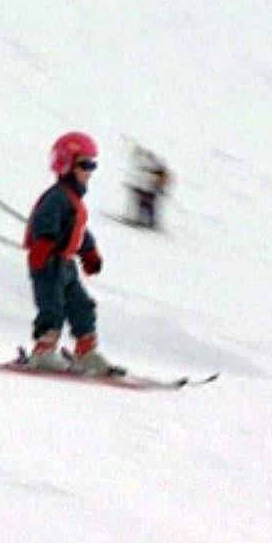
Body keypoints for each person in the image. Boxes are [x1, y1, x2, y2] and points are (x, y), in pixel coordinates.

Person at [23, 131, 112, 375]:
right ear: (66, 164)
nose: (90, 171)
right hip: (48, 263)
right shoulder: (57, 198)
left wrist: (89, 252)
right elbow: (44, 222)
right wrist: (42, 244)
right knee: (53, 307)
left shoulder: (74, 201)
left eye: (93, 164)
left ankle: (85, 351)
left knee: (81, 305)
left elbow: (78, 231)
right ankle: (43, 350)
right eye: (85, 164)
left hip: (66, 264)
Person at [126, 144, 174, 229]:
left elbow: (156, 181)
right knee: (144, 205)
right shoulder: (153, 169)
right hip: (147, 191)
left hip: (150, 192)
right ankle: (144, 220)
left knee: (147, 206)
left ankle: (148, 222)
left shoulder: (158, 171)